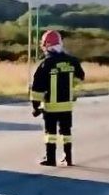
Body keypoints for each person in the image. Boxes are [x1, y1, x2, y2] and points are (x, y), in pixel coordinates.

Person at [30, 30, 85, 166]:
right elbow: (80, 77)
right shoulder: (72, 61)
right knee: (66, 132)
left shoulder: (46, 64)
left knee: (51, 133)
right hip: (67, 105)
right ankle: (68, 157)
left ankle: (50, 158)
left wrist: (36, 106)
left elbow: (37, 88)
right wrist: (70, 87)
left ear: (46, 45)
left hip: (51, 106)